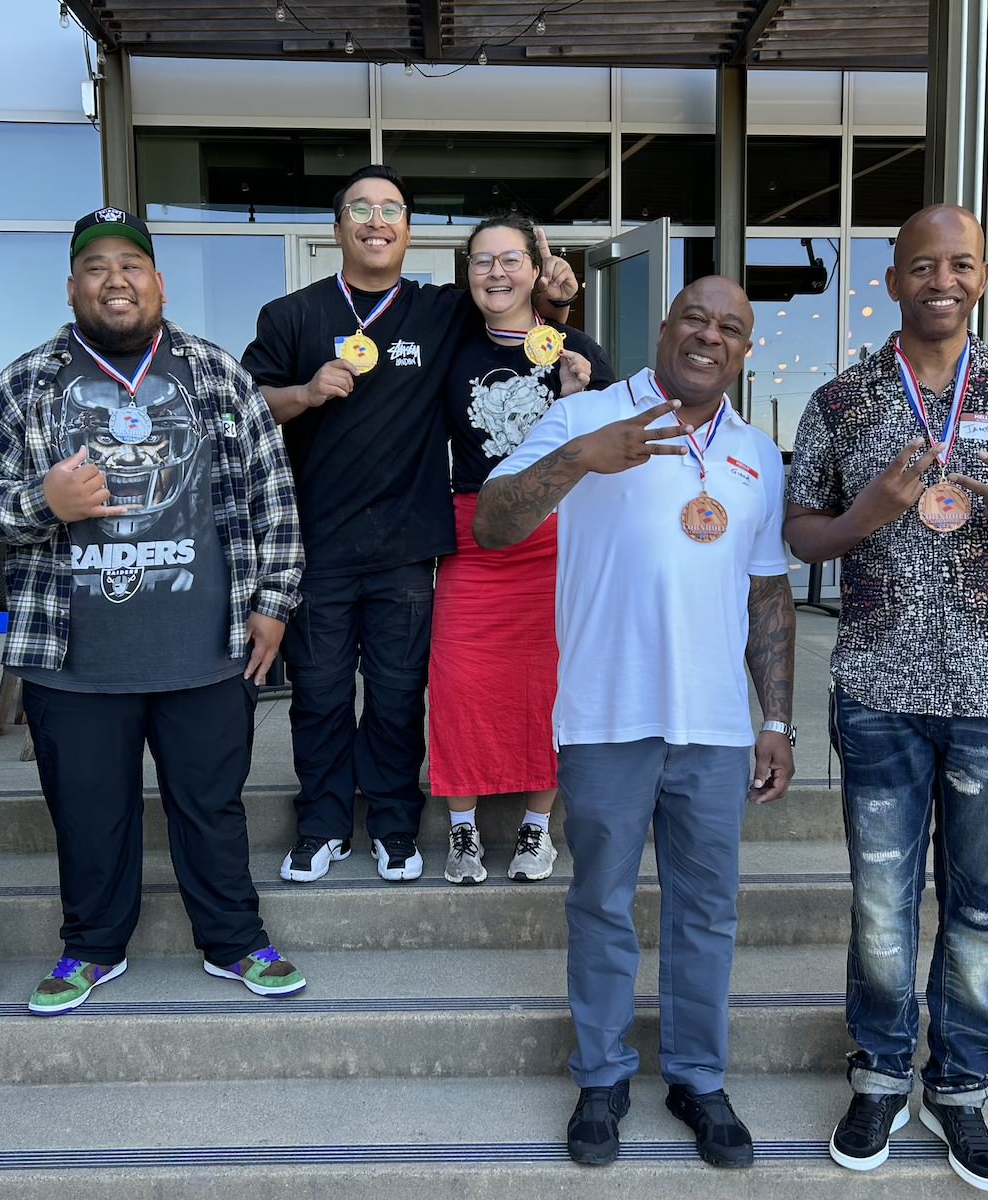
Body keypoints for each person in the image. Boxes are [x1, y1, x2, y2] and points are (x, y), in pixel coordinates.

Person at [784, 204, 988, 1194]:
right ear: (890, 280)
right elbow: (799, 537)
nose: (940, 278)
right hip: (877, 695)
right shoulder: (842, 401)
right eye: (920, 264)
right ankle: (882, 1075)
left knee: (976, 912)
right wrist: (864, 516)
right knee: (882, 908)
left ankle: (958, 1090)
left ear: (979, 279)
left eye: (959, 264)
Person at [0, 207, 307, 1014]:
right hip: (74, 659)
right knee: (87, 814)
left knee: (210, 807)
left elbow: (272, 494)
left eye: (131, 265)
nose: (116, 279)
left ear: (158, 282)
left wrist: (275, 603)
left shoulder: (214, 374)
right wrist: (43, 501)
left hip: (205, 649)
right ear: (73, 286)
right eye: (96, 267)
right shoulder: (26, 381)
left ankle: (232, 940)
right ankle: (92, 948)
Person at [476, 276, 797, 1170]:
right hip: (607, 712)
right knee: (602, 904)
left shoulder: (757, 456)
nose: (709, 336)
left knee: (707, 912)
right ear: (664, 328)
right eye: (695, 317)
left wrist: (778, 717)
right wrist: (583, 455)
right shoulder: (584, 414)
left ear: (742, 351)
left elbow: (768, 593)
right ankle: (603, 1077)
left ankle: (698, 1078)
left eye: (730, 328)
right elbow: (497, 524)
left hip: (715, 725)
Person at [242, 164, 578, 885]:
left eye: (391, 208)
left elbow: (512, 308)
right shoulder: (291, 316)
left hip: (407, 547)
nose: (375, 219)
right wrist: (304, 391)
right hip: (319, 544)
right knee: (322, 694)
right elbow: (249, 406)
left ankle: (395, 824)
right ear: (339, 229)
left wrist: (551, 288)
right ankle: (323, 824)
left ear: (407, 231)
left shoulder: (440, 310)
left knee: (396, 695)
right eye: (360, 208)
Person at [432, 212, 614, 885]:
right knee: (457, 681)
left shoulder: (580, 352)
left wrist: (576, 399)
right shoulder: (453, 343)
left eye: (511, 259)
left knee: (550, 682)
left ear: (536, 270)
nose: (497, 272)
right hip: (472, 537)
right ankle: (462, 830)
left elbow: (610, 451)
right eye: (483, 260)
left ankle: (538, 830)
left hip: (556, 540)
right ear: (468, 274)